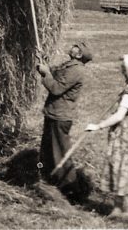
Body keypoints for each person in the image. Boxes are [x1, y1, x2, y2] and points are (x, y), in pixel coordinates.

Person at [85, 54, 128, 220]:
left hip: (125, 132)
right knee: (119, 166)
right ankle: (117, 208)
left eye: (124, 68)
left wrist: (98, 126)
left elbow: (119, 115)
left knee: (121, 167)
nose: (122, 71)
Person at [36, 42, 93, 201]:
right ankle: (46, 178)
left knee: (60, 153)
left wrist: (46, 73)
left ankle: (71, 190)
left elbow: (55, 88)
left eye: (77, 46)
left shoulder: (76, 70)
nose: (74, 46)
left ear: (79, 55)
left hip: (60, 117)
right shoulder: (69, 65)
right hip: (53, 114)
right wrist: (44, 65)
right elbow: (53, 73)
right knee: (46, 151)